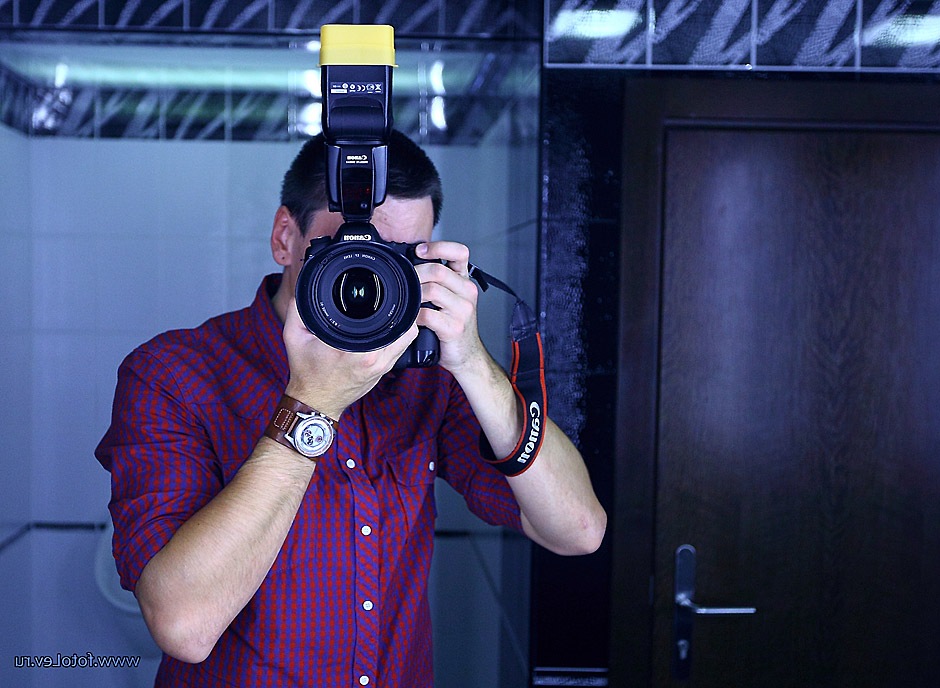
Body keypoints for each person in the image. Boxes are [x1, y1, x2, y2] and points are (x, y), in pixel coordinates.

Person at [95, 130, 606, 687]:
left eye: (400, 258)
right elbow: (184, 627)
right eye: (351, 249)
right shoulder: (172, 372)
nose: (371, 276)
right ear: (286, 238)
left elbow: (577, 529)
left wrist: (471, 361)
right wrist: (313, 404)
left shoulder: (429, 377)